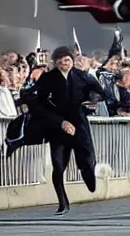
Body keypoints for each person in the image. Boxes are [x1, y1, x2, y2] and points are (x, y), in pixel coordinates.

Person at [35, 46, 106, 215]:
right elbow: (39, 103)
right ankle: (62, 202)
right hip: (58, 126)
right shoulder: (48, 78)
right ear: (55, 63)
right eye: (60, 62)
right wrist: (60, 122)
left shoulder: (83, 76)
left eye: (67, 60)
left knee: (87, 158)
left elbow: (100, 92)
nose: (64, 64)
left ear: (72, 61)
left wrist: (92, 99)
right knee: (58, 165)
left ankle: (88, 174)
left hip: (79, 123)